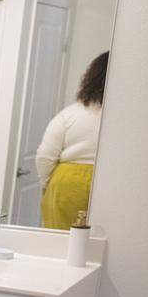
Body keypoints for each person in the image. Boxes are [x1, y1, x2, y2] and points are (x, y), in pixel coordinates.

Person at [35, 51, 108, 229]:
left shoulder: (70, 114)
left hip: (66, 184)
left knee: (57, 245)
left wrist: (46, 184)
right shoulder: (130, 120)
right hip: (108, 185)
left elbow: (44, 156)